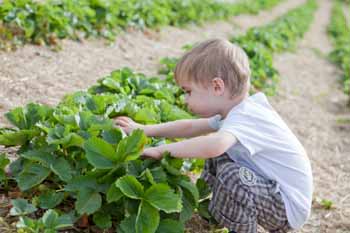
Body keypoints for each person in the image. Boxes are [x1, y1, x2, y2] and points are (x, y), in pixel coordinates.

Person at [115, 38, 313, 233]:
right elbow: (189, 127)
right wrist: (143, 129)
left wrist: (160, 150)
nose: (185, 100)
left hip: (286, 207)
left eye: (188, 91)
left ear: (217, 87)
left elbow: (214, 146)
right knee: (222, 157)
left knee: (230, 174)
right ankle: (216, 212)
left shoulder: (246, 117)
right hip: (271, 191)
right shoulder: (234, 111)